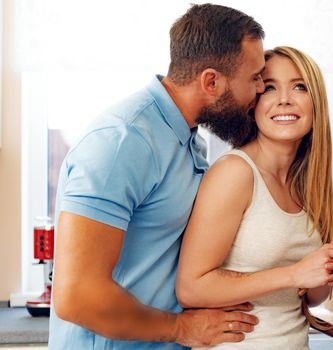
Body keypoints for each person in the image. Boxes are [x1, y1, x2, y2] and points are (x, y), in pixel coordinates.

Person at [49, 4, 267, 349]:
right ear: (212, 81)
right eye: (254, 78)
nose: (260, 90)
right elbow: (77, 296)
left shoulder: (185, 138)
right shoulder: (123, 141)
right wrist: (183, 328)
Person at [176, 46, 333, 349]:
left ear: (316, 102)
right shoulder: (235, 173)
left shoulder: (307, 184)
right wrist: (294, 273)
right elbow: (191, 288)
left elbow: (308, 298)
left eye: (300, 86)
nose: (284, 99)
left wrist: (326, 272)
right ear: (253, 104)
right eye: (269, 88)